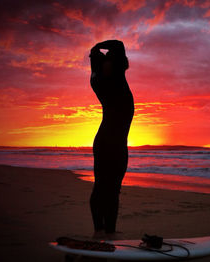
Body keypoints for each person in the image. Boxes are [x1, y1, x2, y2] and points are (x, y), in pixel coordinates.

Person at [89, 40, 134, 240]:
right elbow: (118, 45)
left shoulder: (100, 79)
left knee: (109, 188)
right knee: (105, 187)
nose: (111, 62)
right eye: (108, 60)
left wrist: (96, 51)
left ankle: (107, 231)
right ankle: (102, 231)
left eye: (111, 59)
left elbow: (116, 50)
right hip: (111, 142)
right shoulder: (111, 80)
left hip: (110, 141)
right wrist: (98, 47)